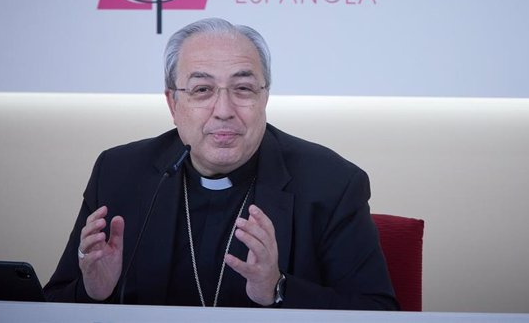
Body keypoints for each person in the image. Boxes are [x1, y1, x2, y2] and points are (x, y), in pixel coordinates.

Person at [44, 17, 398, 310]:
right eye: (202, 90)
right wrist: (91, 294)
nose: (225, 110)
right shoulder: (120, 172)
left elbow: (380, 313)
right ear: (173, 103)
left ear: (265, 98)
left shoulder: (331, 182)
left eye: (243, 89)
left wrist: (277, 289)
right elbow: (48, 306)